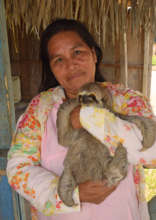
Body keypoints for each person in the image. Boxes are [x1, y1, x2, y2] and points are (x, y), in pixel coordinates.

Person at [6, 18, 155, 220]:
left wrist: (93, 120)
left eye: (77, 52)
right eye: (58, 59)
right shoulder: (40, 109)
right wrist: (70, 194)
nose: (71, 64)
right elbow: (18, 169)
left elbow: (152, 155)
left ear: (93, 54)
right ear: (51, 68)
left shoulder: (127, 100)